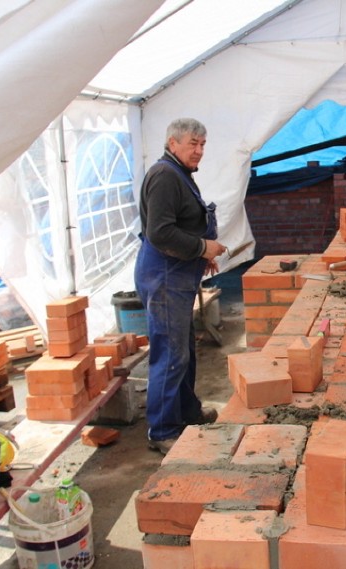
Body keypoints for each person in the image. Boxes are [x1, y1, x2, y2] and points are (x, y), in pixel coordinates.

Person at [134, 118, 227, 455]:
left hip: (177, 272)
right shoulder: (164, 177)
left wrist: (200, 253)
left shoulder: (180, 175)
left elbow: (182, 224)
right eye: (193, 144)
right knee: (170, 354)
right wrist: (203, 248)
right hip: (164, 276)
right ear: (172, 143)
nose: (199, 150)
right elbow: (160, 233)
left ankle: (186, 411)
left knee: (183, 349)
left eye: (202, 144)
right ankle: (161, 430)